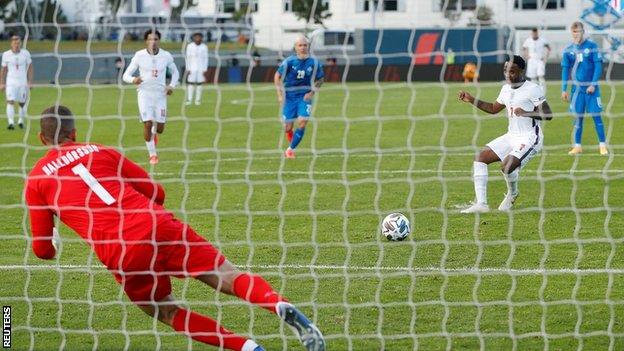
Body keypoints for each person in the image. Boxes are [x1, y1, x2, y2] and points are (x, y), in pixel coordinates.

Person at [25, 105, 326, 351]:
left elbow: (42, 250)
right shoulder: (101, 151)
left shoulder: (36, 180)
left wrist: (55, 239)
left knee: (166, 311)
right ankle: (277, 303)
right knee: (227, 274)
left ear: (42, 138)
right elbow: (156, 192)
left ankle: (248, 348)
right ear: (75, 133)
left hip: (121, 251)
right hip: (156, 222)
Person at [458, 55, 553, 213]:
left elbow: (548, 114)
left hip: (530, 137)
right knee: (480, 158)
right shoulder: (506, 88)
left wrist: (526, 113)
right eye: (506, 71)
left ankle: (513, 193)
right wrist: (471, 99)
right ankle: (481, 204)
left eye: (513, 71)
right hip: (511, 136)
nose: (508, 75)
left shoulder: (533, 88)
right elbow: (494, 108)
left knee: (507, 166)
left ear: (522, 71)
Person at [122, 29, 179, 165]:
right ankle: (152, 155)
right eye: (150, 39)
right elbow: (126, 75)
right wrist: (133, 80)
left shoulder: (166, 56)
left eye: (155, 39)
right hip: (144, 94)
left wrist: (171, 86)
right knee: (147, 123)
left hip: (160, 95)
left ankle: (154, 134)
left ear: (159, 41)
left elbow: (175, 72)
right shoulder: (139, 55)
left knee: (160, 128)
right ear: (146, 41)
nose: (153, 42)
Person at [561, 21, 608, 155]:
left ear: (583, 32)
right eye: (574, 32)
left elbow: (598, 67)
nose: (576, 34)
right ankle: (577, 146)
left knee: (596, 116)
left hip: (591, 89)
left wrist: (593, 84)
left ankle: (602, 145)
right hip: (577, 91)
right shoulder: (568, 50)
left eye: (578, 31)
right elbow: (565, 70)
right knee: (578, 118)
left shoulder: (592, 46)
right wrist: (564, 89)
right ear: (572, 33)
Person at [274, 35, 324, 159]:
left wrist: (311, 93)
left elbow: (321, 79)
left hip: (304, 97)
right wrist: (280, 95)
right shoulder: (289, 61)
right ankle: (291, 146)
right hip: (289, 97)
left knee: (302, 122)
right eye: (300, 45)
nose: (302, 48)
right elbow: (277, 76)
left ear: (308, 47)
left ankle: (290, 150)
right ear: (295, 47)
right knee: (288, 127)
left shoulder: (314, 62)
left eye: (305, 45)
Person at [0, 35, 33, 130]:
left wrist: (30, 81)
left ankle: (20, 121)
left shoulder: (25, 53)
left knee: (22, 102)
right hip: (10, 82)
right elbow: (3, 70)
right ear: (11, 44)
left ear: (21, 43)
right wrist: (2, 83)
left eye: (18, 43)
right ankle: (11, 123)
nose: (16, 45)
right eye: (14, 43)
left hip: (22, 82)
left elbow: (30, 67)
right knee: (10, 101)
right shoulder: (6, 54)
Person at [184, 32, 208, 106]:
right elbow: (187, 58)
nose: (197, 38)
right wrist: (188, 68)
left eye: (199, 37)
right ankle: (189, 99)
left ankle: (198, 100)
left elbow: (206, 58)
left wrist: (205, 69)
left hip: (201, 68)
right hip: (192, 68)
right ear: (193, 38)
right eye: (196, 37)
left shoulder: (204, 47)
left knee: (199, 84)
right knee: (191, 83)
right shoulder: (190, 46)